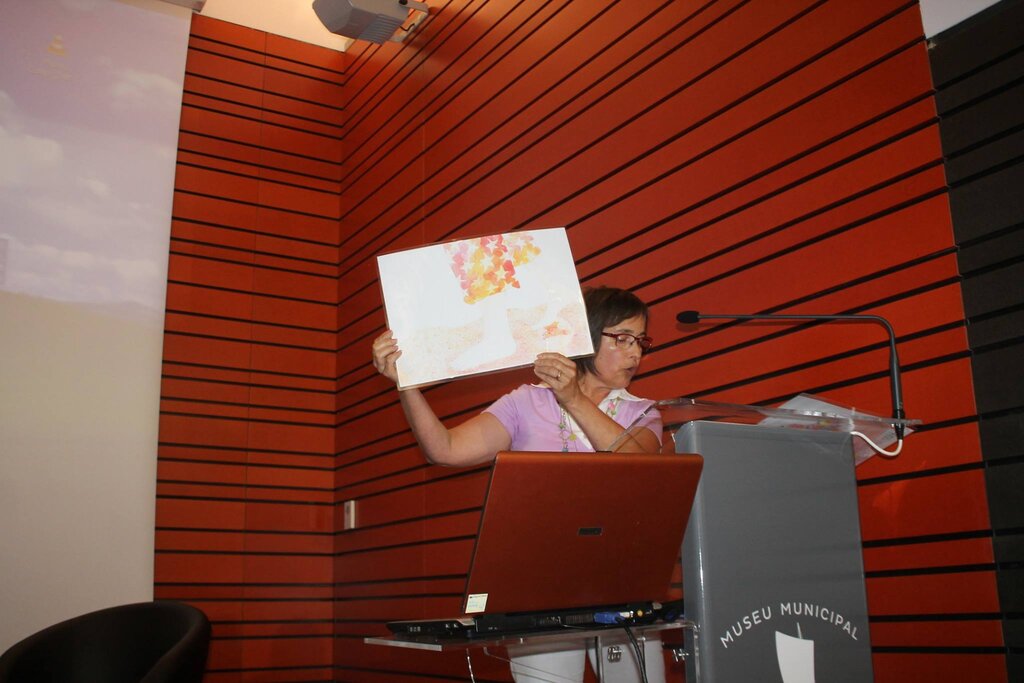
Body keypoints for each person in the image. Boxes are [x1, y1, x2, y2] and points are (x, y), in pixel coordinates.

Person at [371, 286, 665, 683]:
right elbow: (445, 449)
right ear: (585, 334)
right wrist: (406, 383)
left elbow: (642, 467)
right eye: (622, 339)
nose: (635, 354)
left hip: (621, 584)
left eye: (640, 341)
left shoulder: (643, 412)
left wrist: (573, 399)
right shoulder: (526, 402)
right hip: (536, 586)